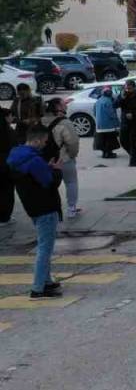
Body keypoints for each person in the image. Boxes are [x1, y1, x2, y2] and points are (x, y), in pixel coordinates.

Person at [7, 125, 63, 298]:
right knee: (45, 247)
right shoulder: (34, 160)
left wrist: (46, 168)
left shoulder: (17, 156)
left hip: (32, 205)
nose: (45, 144)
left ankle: (46, 281)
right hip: (45, 206)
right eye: (45, 141)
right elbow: (49, 183)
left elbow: (34, 178)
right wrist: (56, 171)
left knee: (44, 244)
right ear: (37, 140)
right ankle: (38, 288)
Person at [46, 99, 81, 218]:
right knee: (71, 182)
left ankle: (51, 209)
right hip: (63, 158)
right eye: (63, 103)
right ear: (58, 106)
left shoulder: (41, 120)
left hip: (45, 160)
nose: (66, 105)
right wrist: (72, 155)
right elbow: (73, 142)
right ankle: (71, 208)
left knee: (48, 185)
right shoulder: (65, 122)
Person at [117, 81, 136, 167]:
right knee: (123, 140)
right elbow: (115, 105)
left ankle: (133, 162)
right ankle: (134, 154)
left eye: (129, 88)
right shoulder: (123, 95)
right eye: (126, 88)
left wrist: (134, 114)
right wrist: (121, 98)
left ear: (134, 88)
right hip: (125, 122)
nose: (128, 90)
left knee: (133, 141)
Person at [93, 88, 121, 158]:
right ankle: (109, 153)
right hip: (108, 125)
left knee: (102, 140)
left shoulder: (98, 101)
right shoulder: (108, 101)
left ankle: (104, 153)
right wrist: (117, 122)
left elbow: (94, 112)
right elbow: (111, 113)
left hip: (99, 125)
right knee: (109, 140)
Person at [0, 109, 14, 226]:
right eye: (10, 116)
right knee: (7, 192)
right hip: (5, 165)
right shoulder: (8, 131)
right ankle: (4, 217)